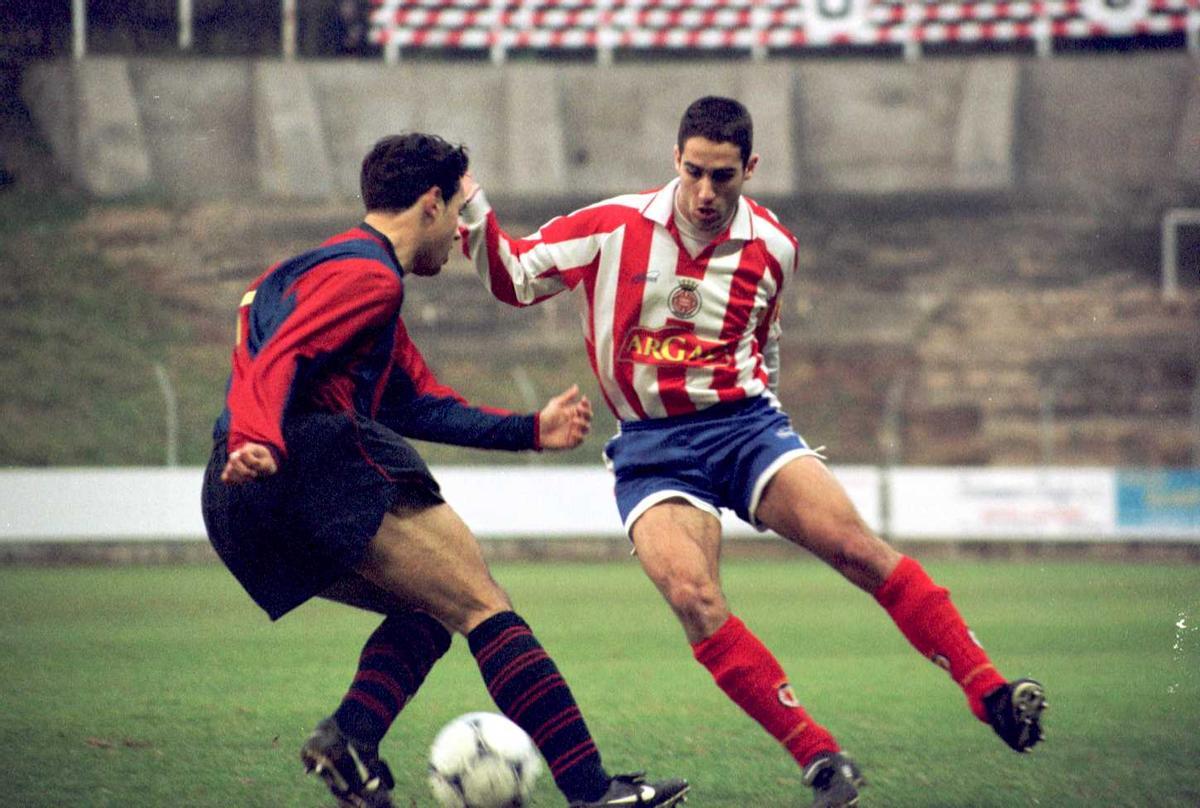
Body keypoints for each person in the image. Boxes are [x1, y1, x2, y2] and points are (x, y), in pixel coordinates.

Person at [458, 97, 1047, 808]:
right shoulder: (613, 227)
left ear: (750, 169)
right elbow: (515, 277)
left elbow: (764, 343)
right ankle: (821, 758)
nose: (707, 193)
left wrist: (764, 419)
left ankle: (991, 692)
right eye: (695, 173)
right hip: (652, 447)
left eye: (724, 177)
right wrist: (471, 205)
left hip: (745, 427)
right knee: (694, 597)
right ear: (675, 161)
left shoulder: (774, 247)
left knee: (856, 547)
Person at [201, 132, 689, 808]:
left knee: (430, 610)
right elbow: (278, 358)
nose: (461, 233)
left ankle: (350, 739)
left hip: (237, 497)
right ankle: (592, 792)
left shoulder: (310, 270)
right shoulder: (367, 276)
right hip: (307, 460)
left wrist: (527, 431)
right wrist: (260, 437)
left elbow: (412, 400)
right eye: (459, 211)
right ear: (430, 203)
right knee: (484, 605)